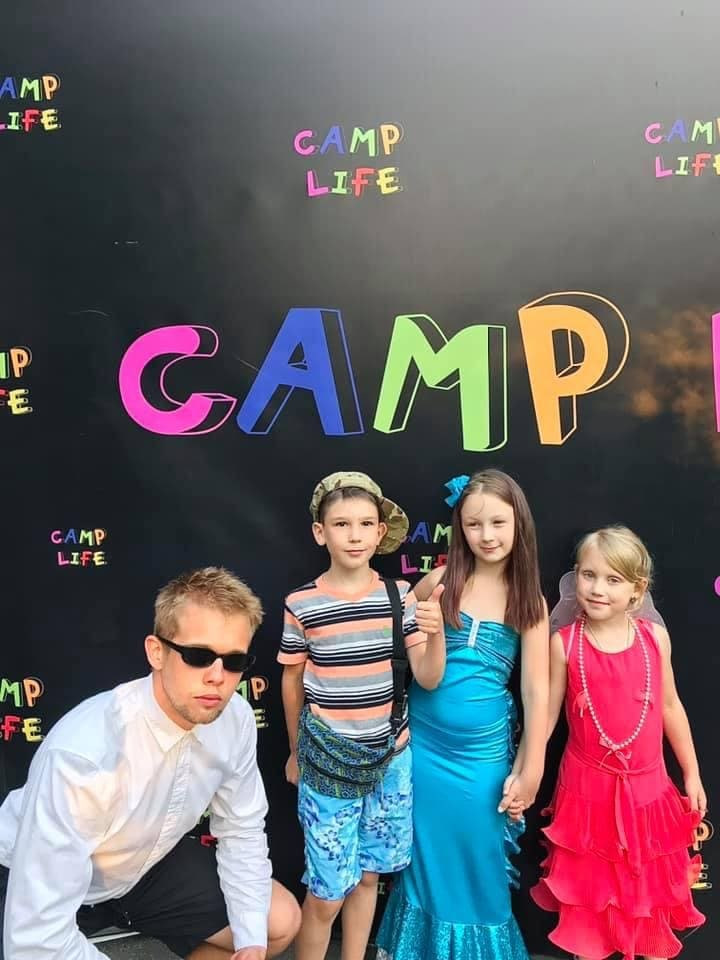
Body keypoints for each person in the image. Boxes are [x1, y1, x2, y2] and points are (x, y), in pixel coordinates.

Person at [0, 566, 301, 960]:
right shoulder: (85, 755)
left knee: (274, 922)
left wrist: (250, 943)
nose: (217, 676)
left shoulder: (235, 717)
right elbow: (36, 941)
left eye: (233, 661)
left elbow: (241, 828)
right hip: (28, 870)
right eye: (198, 656)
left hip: (143, 868)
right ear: (156, 652)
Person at [376, 469, 549, 960]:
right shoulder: (438, 582)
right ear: (460, 529)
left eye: (498, 522)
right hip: (425, 750)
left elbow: (536, 691)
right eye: (474, 524)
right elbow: (404, 650)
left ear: (519, 524)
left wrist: (531, 767)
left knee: (479, 864)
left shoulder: (529, 601)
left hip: (482, 757)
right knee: (425, 863)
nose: (487, 535)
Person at [279, 471, 446, 960]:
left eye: (365, 524)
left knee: (370, 876)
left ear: (380, 532)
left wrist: (435, 633)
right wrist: (295, 751)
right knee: (327, 892)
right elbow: (292, 680)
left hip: (391, 760)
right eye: (341, 524)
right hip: (328, 763)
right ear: (320, 532)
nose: (354, 535)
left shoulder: (400, 596)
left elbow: (428, 677)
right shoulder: (302, 604)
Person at [532, 525, 706, 960]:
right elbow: (547, 716)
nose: (597, 589)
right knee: (590, 900)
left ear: (636, 590)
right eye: (588, 575)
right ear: (575, 577)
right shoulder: (564, 644)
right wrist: (528, 770)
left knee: (646, 895)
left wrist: (692, 773)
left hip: (648, 795)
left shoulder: (654, 639)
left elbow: (670, 707)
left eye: (613, 580)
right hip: (586, 799)